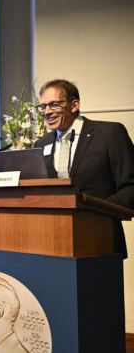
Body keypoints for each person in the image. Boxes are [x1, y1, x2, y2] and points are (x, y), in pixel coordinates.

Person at [34, 79, 134, 257]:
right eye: (43, 106)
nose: (47, 112)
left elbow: (130, 187)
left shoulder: (109, 134)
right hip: (53, 244)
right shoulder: (41, 144)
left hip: (101, 240)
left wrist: (94, 212)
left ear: (74, 105)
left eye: (54, 105)